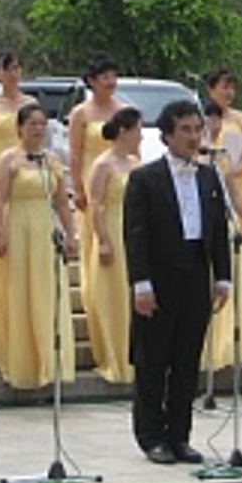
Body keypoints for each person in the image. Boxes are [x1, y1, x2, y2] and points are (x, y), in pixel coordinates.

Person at [123, 99, 231, 465]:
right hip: (158, 277)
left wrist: (223, 276)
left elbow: (218, 230)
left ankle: (179, 435)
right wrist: (141, 284)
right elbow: (135, 236)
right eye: (185, 130)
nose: (193, 137)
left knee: (187, 361)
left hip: (195, 276)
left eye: (197, 129)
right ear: (167, 135)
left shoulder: (208, 176)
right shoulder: (145, 179)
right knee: (153, 361)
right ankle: (151, 435)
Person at [0, 103, 77, 390]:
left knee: (47, 290)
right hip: (18, 226)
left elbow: (62, 201)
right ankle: (22, 362)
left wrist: (71, 233)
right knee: (20, 289)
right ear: (19, 128)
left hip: (44, 227)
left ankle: (50, 362)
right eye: (32, 124)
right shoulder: (8, 160)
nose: (38, 129)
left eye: (42, 124)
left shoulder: (51, 160)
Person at [199, 102, 242, 370]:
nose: (213, 126)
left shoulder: (223, 158)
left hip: (224, 227)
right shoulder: (194, 158)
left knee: (240, 287)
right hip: (199, 232)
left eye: (216, 120)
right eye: (208, 121)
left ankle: (231, 345)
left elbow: (235, 196)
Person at [83, 106, 142, 383]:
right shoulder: (103, 164)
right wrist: (103, 240)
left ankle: (136, 353)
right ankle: (114, 355)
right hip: (113, 228)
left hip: (134, 229)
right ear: (123, 132)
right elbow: (95, 204)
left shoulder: (135, 163)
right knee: (114, 293)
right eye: (137, 130)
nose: (141, 136)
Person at [67, 53, 124, 332]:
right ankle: (93, 303)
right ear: (92, 81)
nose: (110, 82)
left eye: (113, 76)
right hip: (92, 177)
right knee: (92, 240)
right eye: (105, 77)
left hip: (118, 181)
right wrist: (78, 188)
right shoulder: (81, 113)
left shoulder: (123, 110)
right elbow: (75, 153)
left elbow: (133, 150)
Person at [202, 68, 242, 273]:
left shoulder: (240, 118)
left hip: (237, 179)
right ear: (211, 90)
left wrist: (239, 169)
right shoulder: (202, 117)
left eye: (232, 88)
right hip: (212, 178)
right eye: (224, 87)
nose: (229, 92)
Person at [0, 51, 37, 209]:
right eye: (7, 69)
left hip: (25, 166)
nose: (13, 74)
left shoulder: (30, 102)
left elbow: (37, 140)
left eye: (16, 68)